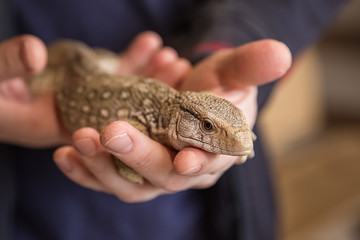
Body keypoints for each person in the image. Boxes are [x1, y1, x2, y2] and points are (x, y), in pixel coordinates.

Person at [0, 0, 345, 239]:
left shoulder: (180, 112)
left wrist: (229, 43)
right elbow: (123, 164)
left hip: (204, 219)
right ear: (186, 119)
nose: (236, 138)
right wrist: (131, 167)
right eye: (208, 127)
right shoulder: (146, 123)